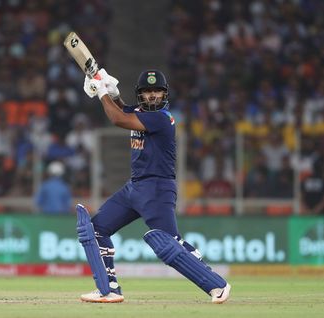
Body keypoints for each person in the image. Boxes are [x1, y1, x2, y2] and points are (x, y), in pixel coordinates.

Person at [76, 68, 231, 304]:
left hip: (157, 190)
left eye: (156, 91)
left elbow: (118, 118)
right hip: (134, 188)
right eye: (147, 92)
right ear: (141, 95)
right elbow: (124, 110)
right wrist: (113, 92)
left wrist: (101, 93)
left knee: (170, 243)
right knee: (96, 229)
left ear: (164, 94)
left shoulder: (162, 118)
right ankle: (109, 289)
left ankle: (217, 284)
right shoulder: (141, 113)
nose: (152, 96)